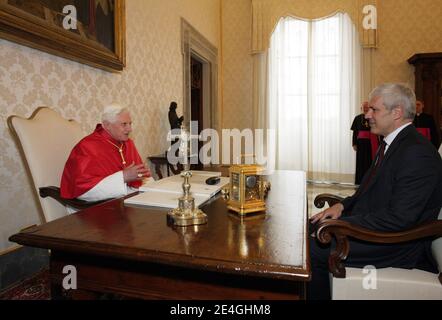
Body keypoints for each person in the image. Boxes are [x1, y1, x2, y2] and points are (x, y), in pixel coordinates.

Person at [308, 83, 442, 300]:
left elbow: (400, 219)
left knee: (311, 250)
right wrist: (342, 206)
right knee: (306, 229)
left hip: (395, 243)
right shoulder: (392, 143)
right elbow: (366, 191)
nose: (367, 115)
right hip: (377, 228)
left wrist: (341, 226)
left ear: (396, 113)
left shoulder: (417, 153)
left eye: (374, 110)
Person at [60, 104, 150, 202]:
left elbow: (139, 179)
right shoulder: (87, 147)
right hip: (97, 208)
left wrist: (142, 176)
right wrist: (123, 177)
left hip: (129, 200)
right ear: (107, 125)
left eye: (130, 124)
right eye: (124, 124)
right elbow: (82, 190)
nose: (129, 129)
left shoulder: (128, 143)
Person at [351, 101, 381, 184]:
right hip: (360, 144)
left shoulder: (374, 117)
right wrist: (354, 143)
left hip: (370, 143)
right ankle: (360, 181)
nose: (365, 108)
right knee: (360, 162)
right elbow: (355, 132)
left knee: (369, 162)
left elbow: (378, 130)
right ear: (361, 108)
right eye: (364, 107)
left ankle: (369, 180)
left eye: (367, 107)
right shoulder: (357, 118)